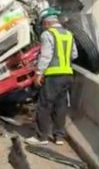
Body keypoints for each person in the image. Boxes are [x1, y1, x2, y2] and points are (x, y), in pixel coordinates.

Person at [25, 8, 78, 146]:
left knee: (44, 105)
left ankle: (41, 137)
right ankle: (59, 136)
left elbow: (46, 56)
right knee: (61, 106)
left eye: (43, 24)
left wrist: (38, 73)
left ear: (47, 22)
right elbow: (74, 55)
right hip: (67, 75)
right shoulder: (69, 34)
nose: (43, 26)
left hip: (53, 76)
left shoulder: (48, 34)